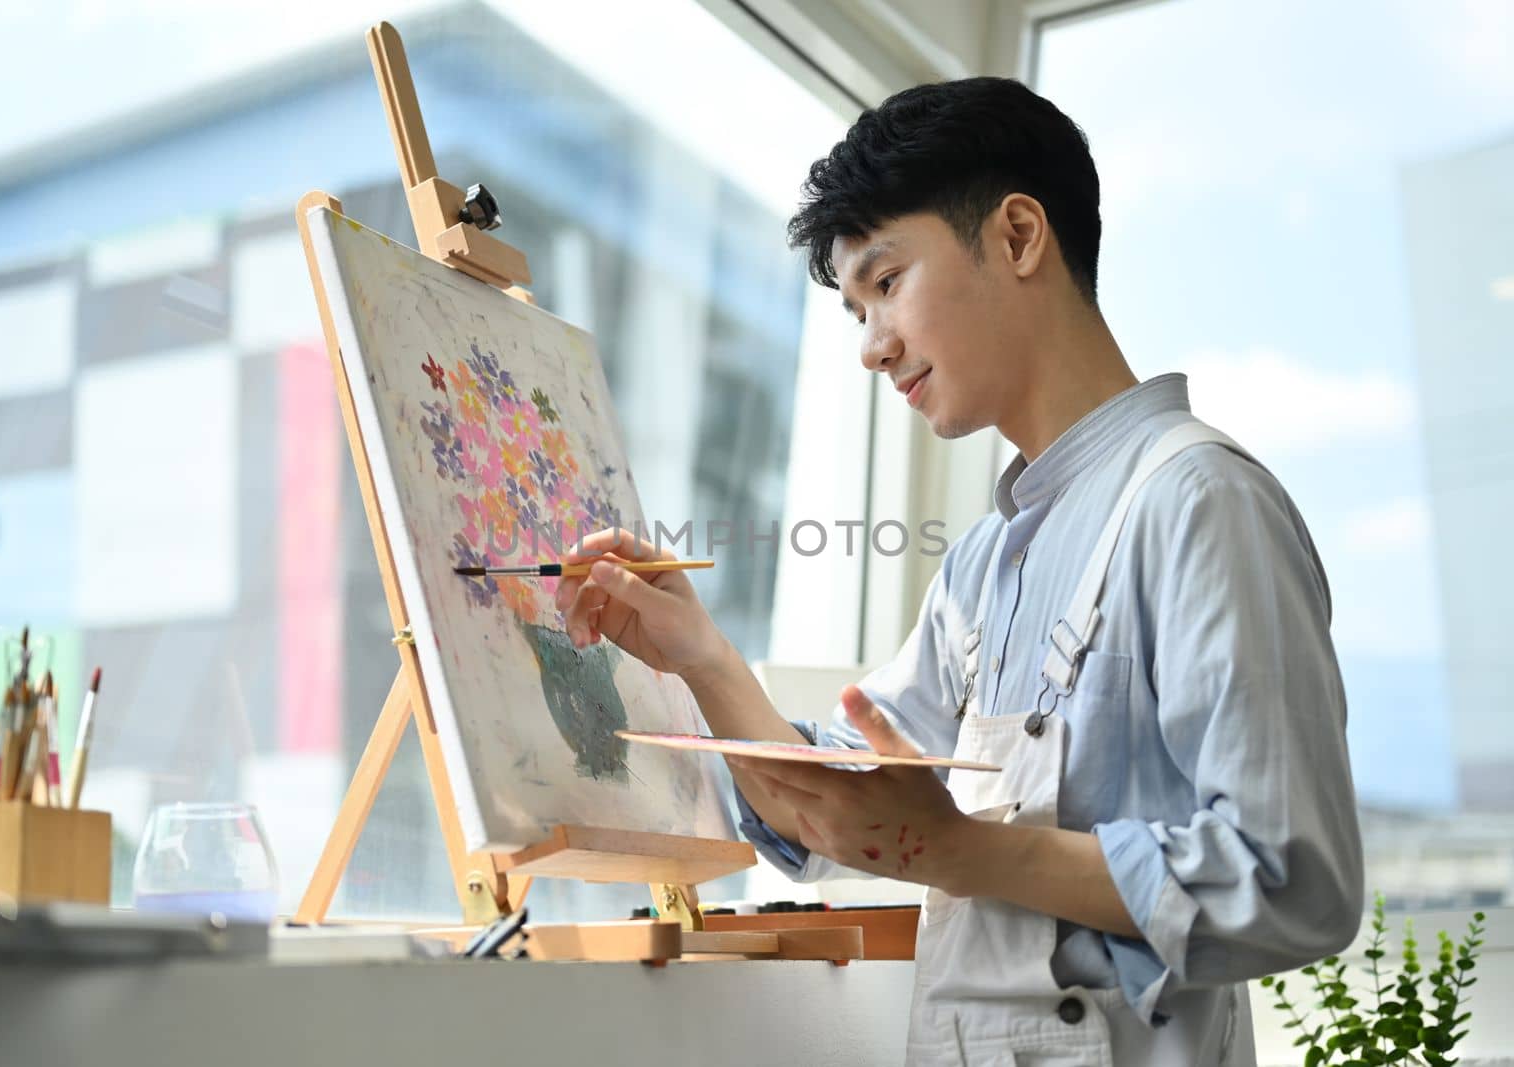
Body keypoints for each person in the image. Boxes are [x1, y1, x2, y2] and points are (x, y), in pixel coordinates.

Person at [554, 76, 1364, 1066]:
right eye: (855, 309)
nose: (869, 346)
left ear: (1019, 235)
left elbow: (1291, 882)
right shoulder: (986, 561)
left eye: (886, 283)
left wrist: (961, 848)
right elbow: (827, 814)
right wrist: (702, 659)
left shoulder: (1199, 501)